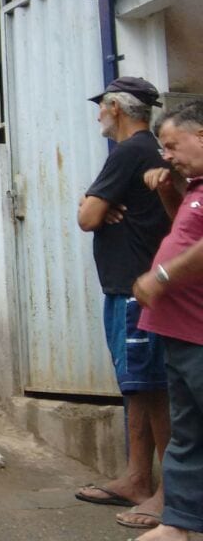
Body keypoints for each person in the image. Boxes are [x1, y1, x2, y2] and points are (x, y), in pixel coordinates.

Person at [75, 77, 172, 530]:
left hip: (137, 291)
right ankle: (137, 478)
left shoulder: (131, 150)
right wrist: (93, 202)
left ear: (115, 106)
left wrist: (91, 204)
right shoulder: (137, 154)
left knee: (154, 390)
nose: (98, 114)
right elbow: (94, 208)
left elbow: (88, 217)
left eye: (102, 107)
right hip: (127, 288)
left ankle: (170, 494)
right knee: (136, 387)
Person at [131, 100, 203, 541]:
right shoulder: (195, 187)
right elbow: (187, 233)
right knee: (188, 434)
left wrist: (161, 276)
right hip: (179, 332)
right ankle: (180, 523)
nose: (167, 156)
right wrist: (167, 191)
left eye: (173, 146)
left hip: (198, 331)